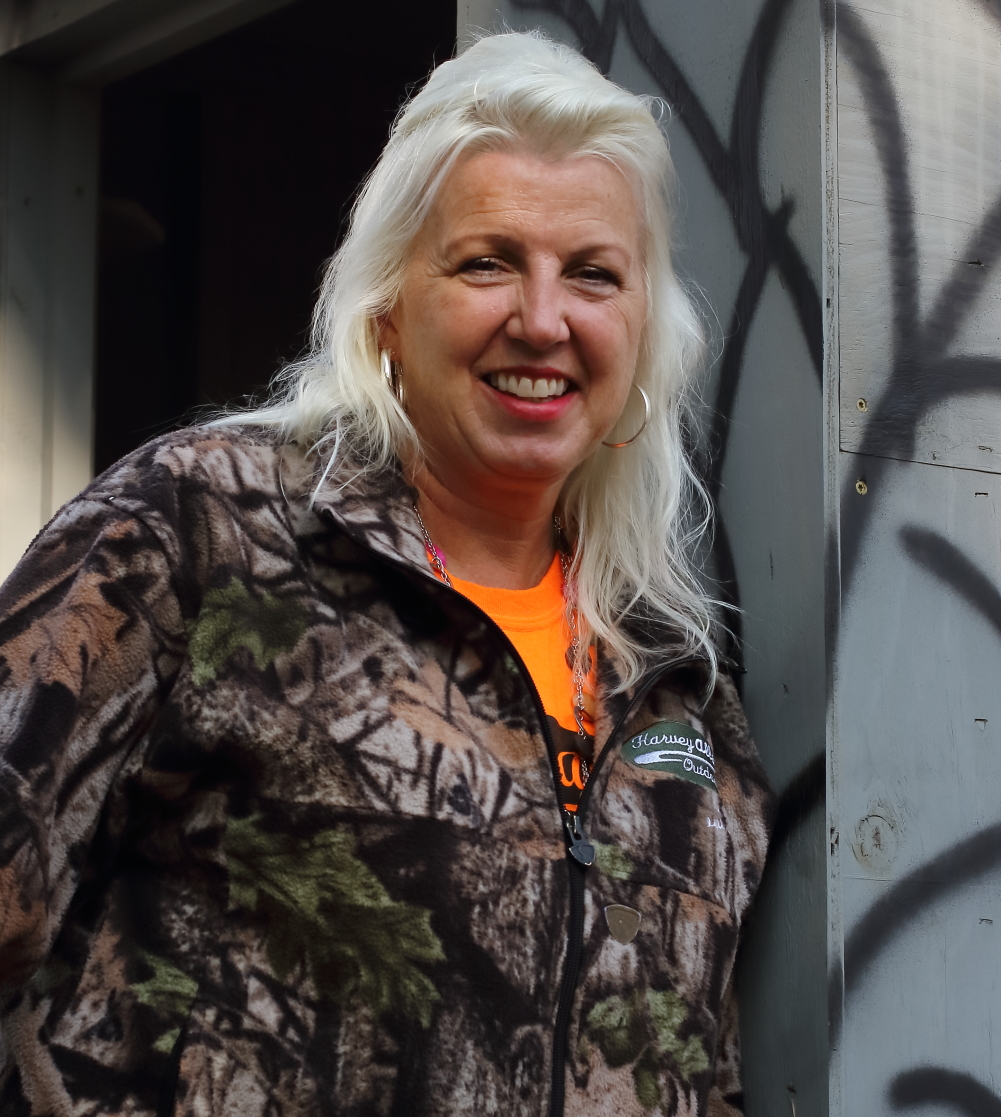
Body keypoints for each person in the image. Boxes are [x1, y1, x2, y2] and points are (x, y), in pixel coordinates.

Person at [0, 31, 772, 1117]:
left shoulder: (676, 688)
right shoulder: (198, 532)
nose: (542, 320)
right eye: (486, 261)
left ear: (642, 334)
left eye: (592, 274)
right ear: (385, 310)